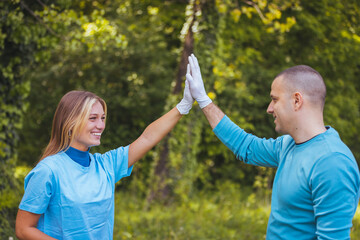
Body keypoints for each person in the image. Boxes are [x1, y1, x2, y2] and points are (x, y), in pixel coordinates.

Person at [186, 53, 360, 239]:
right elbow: (246, 146)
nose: (269, 108)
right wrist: (203, 100)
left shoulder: (331, 162)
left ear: (297, 100)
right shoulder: (288, 145)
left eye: (275, 99)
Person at [15, 85, 194, 239]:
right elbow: (23, 229)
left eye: (102, 118)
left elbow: (147, 138)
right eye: (92, 118)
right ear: (70, 123)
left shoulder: (106, 165)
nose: (100, 125)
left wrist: (183, 106)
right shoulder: (48, 170)